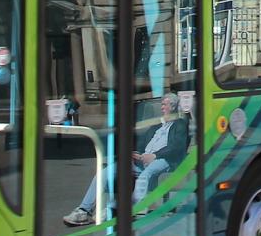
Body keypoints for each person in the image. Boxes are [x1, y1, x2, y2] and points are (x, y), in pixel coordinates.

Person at [63, 92, 189, 225]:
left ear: (173, 106)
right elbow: (142, 142)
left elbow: (177, 146)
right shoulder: (157, 125)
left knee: (147, 173)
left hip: (164, 160)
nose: (162, 107)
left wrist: (155, 155)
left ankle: (130, 210)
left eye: (165, 104)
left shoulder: (180, 125)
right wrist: (135, 152)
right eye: (162, 104)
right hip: (143, 158)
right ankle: (83, 210)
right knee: (106, 172)